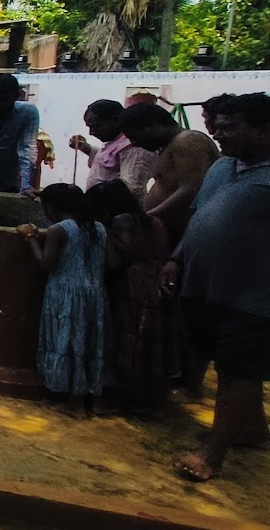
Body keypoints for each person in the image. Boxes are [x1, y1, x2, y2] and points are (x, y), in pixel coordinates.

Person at [167, 93, 270, 481]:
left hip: (255, 294)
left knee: (238, 368)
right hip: (206, 284)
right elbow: (199, 217)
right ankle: (253, 429)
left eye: (230, 127)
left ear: (263, 129)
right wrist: (175, 258)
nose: (218, 133)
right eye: (219, 125)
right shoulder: (222, 166)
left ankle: (212, 454)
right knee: (231, 361)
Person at [87, 180, 183, 412]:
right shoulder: (155, 221)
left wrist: (105, 237)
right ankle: (157, 399)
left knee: (131, 338)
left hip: (134, 286)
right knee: (158, 340)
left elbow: (117, 261)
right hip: (159, 282)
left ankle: (127, 398)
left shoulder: (119, 222)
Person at [19, 183, 107, 415]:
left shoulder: (59, 230)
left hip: (65, 293)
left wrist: (30, 238)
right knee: (89, 343)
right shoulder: (99, 228)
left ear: (51, 208)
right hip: (95, 294)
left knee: (67, 342)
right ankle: (95, 400)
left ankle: (74, 403)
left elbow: (46, 263)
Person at [121, 102, 219, 247]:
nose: (134, 143)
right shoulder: (170, 146)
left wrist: (148, 217)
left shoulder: (187, 140)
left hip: (187, 235)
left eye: (134, 136)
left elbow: (192, 190)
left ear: (152, 125)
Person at [71, 101, 153, 196]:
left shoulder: (134, 146)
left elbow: (132, 188)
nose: (91, 132)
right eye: (89, 127)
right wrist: (86, 148)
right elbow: (108, 163)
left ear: (115, 120)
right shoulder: (115, 140)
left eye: (96, 126)